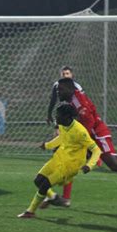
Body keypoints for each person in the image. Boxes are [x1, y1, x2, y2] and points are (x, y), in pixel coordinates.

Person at [42, 77, 117, 207]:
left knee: (115, 165)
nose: (58, 93)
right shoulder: (70, 100)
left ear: (68, 89)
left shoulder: (80, 104)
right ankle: (64, 198)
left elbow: (89, 123)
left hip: (98, 134)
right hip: (88, 135)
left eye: (60, 90)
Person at [18, 103, 101, 218]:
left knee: (45, 185)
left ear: (67, 117)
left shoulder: (80, 132)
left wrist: (89, 165)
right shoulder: (63, 125)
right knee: (38, 180)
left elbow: (97, 150)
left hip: (70, 166)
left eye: (58, 115)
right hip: (59, 158)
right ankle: (54, 198)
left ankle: (30, 211)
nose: (56, 117)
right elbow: (61, 138)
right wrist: (47, 145)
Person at [46, 66, 84, 203]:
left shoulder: (77, 87)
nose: (65, 75)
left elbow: (82, 107)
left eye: (67, 73)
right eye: (63, 73)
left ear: (72, 75)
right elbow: (53, 101)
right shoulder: (57, 85)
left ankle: (59, 194)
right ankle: (61, 195)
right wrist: (49, 114)